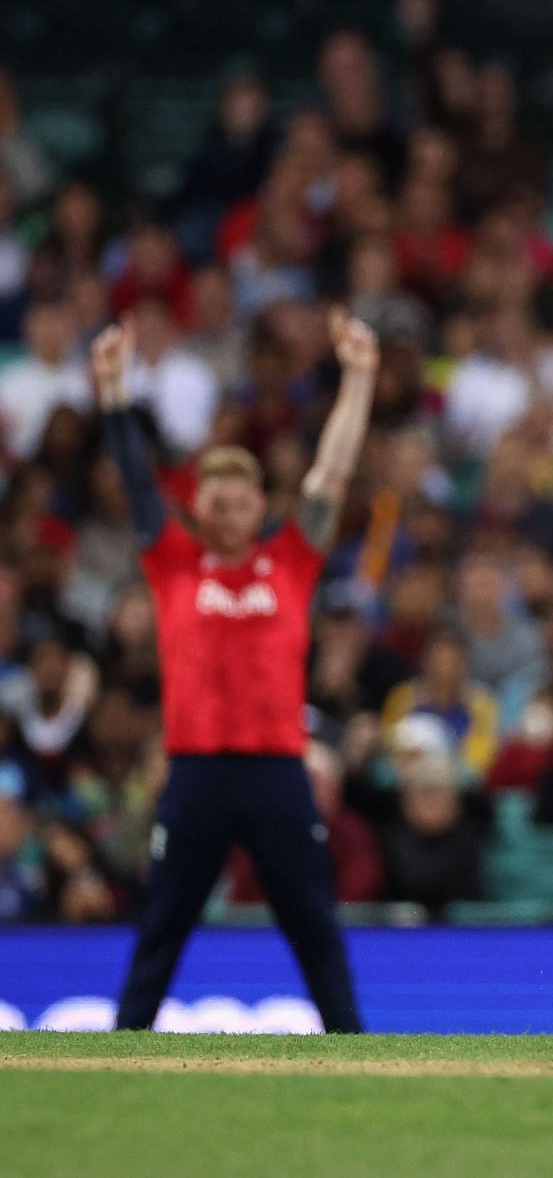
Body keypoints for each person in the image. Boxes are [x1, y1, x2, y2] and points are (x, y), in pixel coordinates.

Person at [94, 310, 376, 1033]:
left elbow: (332, 473)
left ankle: (356, 1053)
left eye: (238, 501)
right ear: (198, 507)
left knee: (312, 922)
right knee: (167, 921)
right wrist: (115, 395)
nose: (224, 513)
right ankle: (121, 1052)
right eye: (212, 502)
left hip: (277, 769)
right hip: (196, 771)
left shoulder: (289, 559)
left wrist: (360, 377)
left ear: (259, 505)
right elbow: (134, 481)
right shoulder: (172, 562)